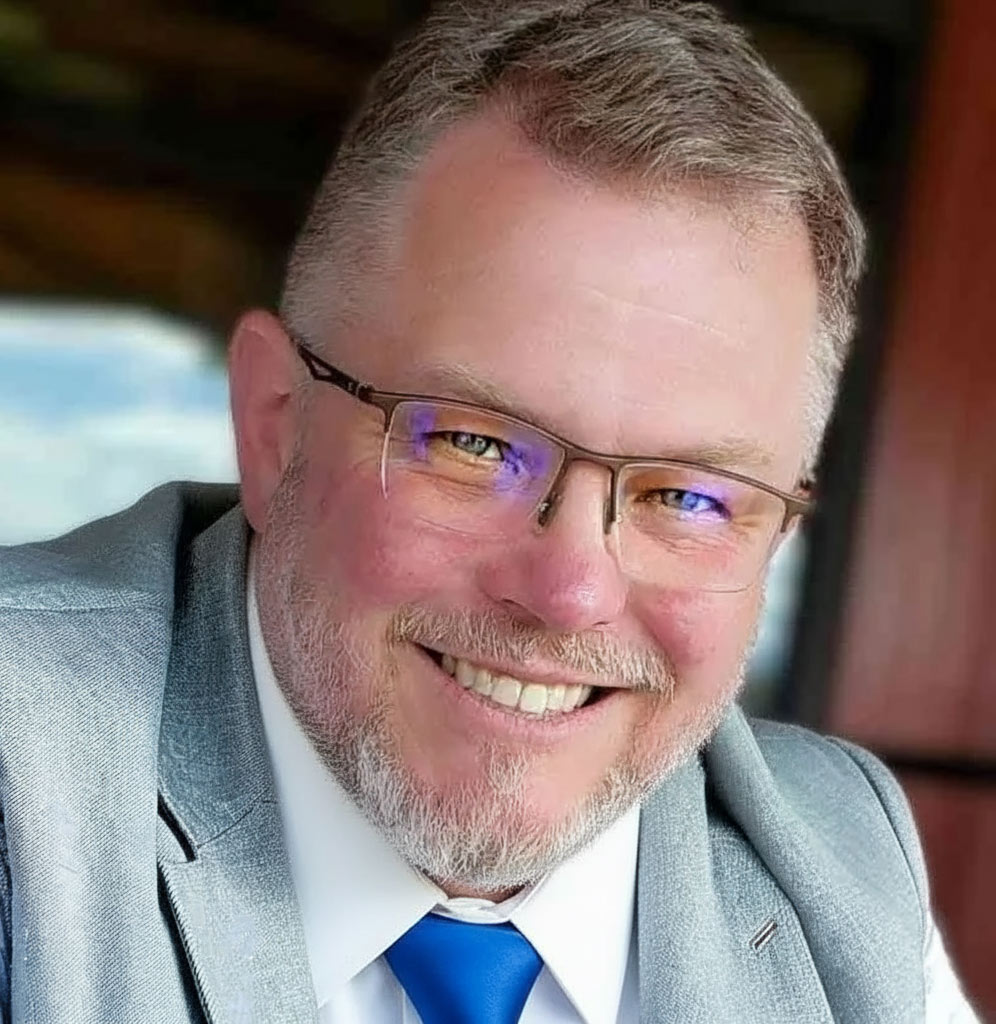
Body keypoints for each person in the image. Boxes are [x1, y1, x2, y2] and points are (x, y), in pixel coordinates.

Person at [0, 1, 981, 1022]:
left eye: (687, 494)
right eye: (475, 443)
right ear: (275, 425)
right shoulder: (23, 773)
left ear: (776, 536)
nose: (571, 592)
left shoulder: (845, 865)